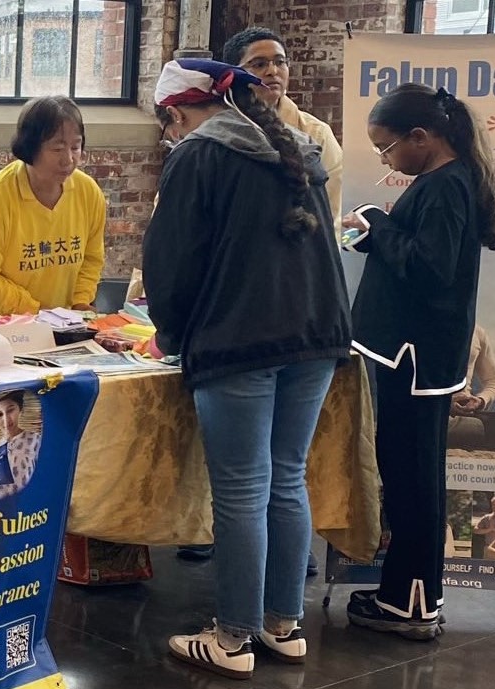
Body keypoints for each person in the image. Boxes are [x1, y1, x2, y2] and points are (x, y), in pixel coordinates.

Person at [144, 58, 351, 679]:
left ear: (177, 112)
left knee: (241, 490)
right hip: (316, 335)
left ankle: (232, 639)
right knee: (286, 478)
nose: (169, 137)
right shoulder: (296, 150)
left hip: (240, 339)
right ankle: (283, 626)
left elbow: (171, 262)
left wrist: (171, 335)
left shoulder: (198, 156)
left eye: (167, 126)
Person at [341, 83, 495, 641]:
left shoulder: (444, 187)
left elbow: (430, 270)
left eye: (386, 148)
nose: (384, 160)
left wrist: (379, 221)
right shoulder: (445, 181)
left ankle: (410, 603)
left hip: (413, 359)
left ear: (421, 137)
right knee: (412, 474)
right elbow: (420, 254)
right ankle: (411, 595)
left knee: (412, 479)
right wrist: (375, 235)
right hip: (415, 355)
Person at [0, 95, 106, 324]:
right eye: (57, 148)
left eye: (75, 147)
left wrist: (80, 302)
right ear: (30, 148)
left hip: (60, 327)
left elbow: (91, 259)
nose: (68, 159)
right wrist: (36, 311)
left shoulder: (88, 192)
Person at [222, 26, 343, 242]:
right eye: (259, 64)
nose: (273, 71)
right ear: (233, 74)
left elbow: (332, 210)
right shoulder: (217, 132)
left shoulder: (315, 133)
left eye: (280, 62)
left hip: (299, 247)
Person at [0, 390, 41, 502]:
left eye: (10, 411)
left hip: (23, 506)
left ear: (20, 410)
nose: (6, 420)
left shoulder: (36, 440)